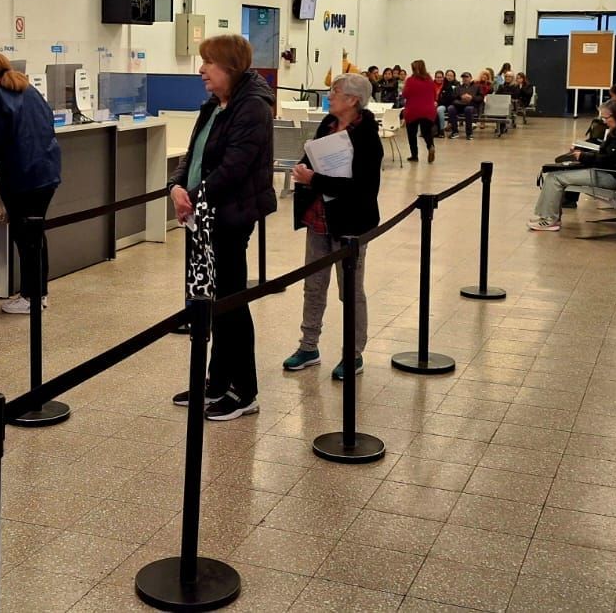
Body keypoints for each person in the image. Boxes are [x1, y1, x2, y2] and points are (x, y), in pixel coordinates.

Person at [168, 35, 275, 421]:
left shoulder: (253, 107)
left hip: (230, 215)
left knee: (231, 302)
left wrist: (192, 197)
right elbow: (193, 153)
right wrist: (176, 186)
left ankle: (244, 391)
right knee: (211, 302)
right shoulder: (215, 104)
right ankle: (217, 381)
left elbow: (234, 168)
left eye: (208, 63)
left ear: (230, 66)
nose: (201, 70)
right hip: (203, 214)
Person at [283, 74, 382, 380]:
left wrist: (315, 179)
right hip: (318, 219)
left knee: (350, 290)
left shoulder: (367, 137)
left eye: (335, 92)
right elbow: (312, 157)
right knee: (313, 285)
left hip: (350, 223)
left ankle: (353, 353)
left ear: (353, 100)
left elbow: (362, 188)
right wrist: (303, 169)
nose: (329, 96)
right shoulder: (327, 124)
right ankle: (308, 346)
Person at [0, 53, 62, 316]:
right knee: (36, 234)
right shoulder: (31, 91)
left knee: (25, 238)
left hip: (20, 175)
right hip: (46, 171)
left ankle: (30, 297)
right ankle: (39, 293)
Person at [529, 101, 616, 231]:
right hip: (613, 172)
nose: (605, 122)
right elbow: (609, 155)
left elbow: (607, 159)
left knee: (554, 178)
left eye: (606, 118)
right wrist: (584, 153)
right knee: (555, 175)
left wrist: (583, 156)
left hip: (609, 175)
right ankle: (549, 217)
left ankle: (550, 219)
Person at [401, 60, 438, 164]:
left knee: (412, 134)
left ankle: (414, 155)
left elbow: (405, 94)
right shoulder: (430, 80)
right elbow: (435, 95)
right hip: (428, 110)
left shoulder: (410, 80)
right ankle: (430, 146)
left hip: (413, 110)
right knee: (426, 132)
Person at [435, 69, 459, 135]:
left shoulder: (455, 85)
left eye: (451, 76)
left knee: (448, 109)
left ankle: (445, 128)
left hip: (451, 104)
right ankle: (439, 130)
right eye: (448, 75)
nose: (449, 77)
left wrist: (438, 102)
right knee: (437, 109)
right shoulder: (440, 84)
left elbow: (451, 97)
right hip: (440, 104)